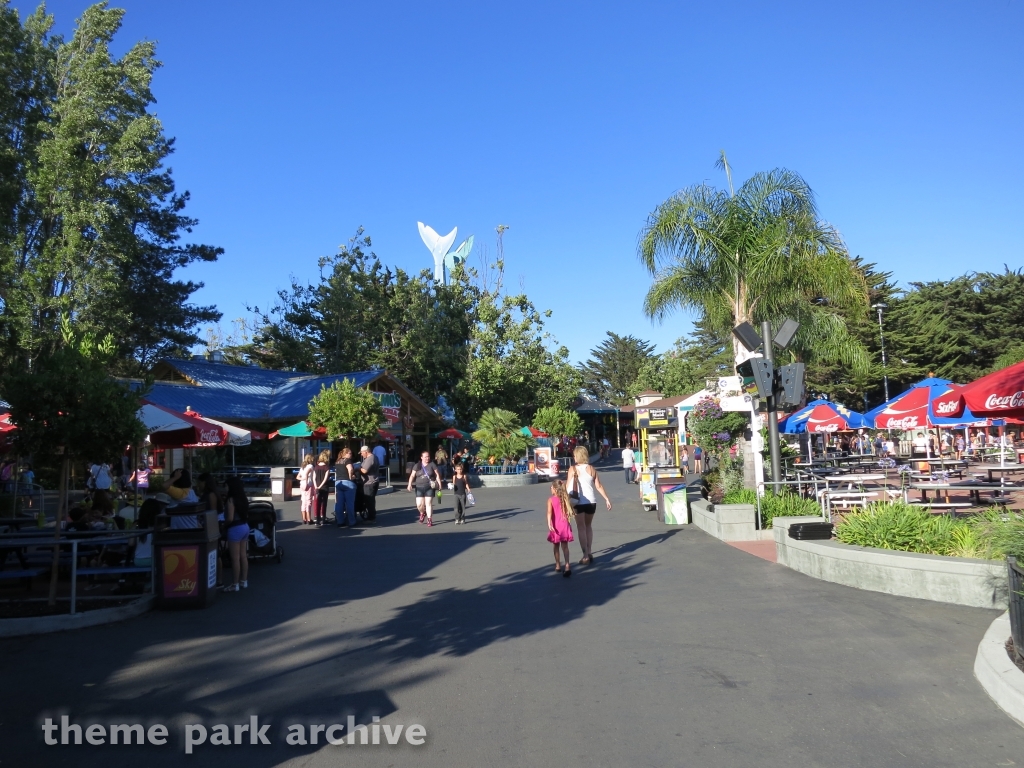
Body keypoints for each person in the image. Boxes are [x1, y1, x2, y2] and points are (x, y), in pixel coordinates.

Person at [566, 445, 612, 565]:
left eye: (575, 455)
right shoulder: (592, 469)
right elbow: (599, 486)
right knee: (588, 526)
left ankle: (585, 556)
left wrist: (565, 502)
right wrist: (606, 499)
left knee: (581, 528)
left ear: (578, 456)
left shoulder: (572, 469)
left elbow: (567, 487)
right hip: (592, 502)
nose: (574, 457)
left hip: (578, 502)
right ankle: (590, 551)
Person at [221, 476, 250, 592]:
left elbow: (230, 518)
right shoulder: (243, 498)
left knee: (235, 559)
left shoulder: (230, 500)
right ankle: (244, 581)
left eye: (226, 486)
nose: (225, 488)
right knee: (243, 556)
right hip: (245, 526)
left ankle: (235, 584)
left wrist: (224, 526)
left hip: (235, 529)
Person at [546, 479, 575, 578]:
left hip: (555, 525)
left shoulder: (551, 500)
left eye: (551, 487)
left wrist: (549, 523)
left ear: (554, 489)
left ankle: (558, 564)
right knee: (565, 547)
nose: (550, 489)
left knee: (556, 546)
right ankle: (567, 565)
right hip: (564, 524)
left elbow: (549, 513)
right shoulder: (565, 498)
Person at [407, 449, 442, 527]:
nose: (427, 458)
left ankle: (429, 519)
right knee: (419, 505)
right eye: (426, 457)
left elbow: (437, 475)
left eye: (428, 456)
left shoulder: (432, 464)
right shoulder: (417, 465)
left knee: (428, 504)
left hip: (429, 487)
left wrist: (439, 484)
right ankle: (422, 513)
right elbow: (412, 475)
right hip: (419, 487)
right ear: (421, 457)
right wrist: (409, 484)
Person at [334, 448, 357, 527]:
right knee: (349, 504)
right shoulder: (347, 461)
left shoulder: (337, 461)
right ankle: (352, 521)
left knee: (339, 503)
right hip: (347, 482)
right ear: (346, 453)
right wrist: (351, 477)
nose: (351, 455)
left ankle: (340, 521)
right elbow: (350, 469)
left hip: (338, 482)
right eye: (350, 453)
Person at [358, 445, 380, 522]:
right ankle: (371, 516)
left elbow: (364, 471)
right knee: (370, 500)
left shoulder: (370, 458)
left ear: (366, 452)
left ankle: (371, 517)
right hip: (372, 481)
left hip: (370, 482)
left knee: (369, 500)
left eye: (361, 453)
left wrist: (357, 467)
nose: (361, 454)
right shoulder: (373, 457)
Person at [312, 450, 332, 527]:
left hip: (316, 486)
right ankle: (322, 518)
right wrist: (320, 486)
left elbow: (314, 478)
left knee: (317, 502)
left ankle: (316, 519)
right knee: (324, 503)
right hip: (324, 487)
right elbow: (325, 479)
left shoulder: (316, 467)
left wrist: (316, 486)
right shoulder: (326, 467)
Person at [296, 454, 315, 525]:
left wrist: (303, 479)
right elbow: (307, 474)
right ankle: (309, 519)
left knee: (303, 501)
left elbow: (297, 477)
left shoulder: (302, 467)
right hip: (308, 485)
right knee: (308, 502)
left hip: (302, 484)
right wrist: (306, 482)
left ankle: (304, 519)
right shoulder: (310, 466)